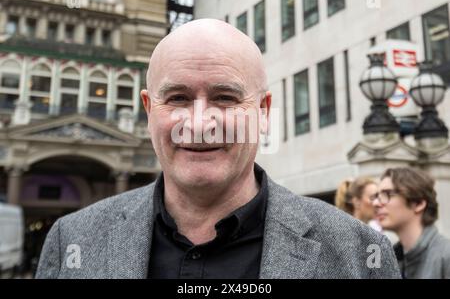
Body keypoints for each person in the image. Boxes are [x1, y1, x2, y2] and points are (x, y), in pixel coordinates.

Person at [35, 19, 400, 279]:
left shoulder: (358, 254)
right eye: (177, 98)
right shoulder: (74, 240)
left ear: (263, 111)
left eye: (225, 98)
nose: (199, 123)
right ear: (149, 110)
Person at [372, 167, 450, 279]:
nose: (376, 203)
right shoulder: (389, 260)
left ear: (418, 203)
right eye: (377, 196)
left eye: (387, 194)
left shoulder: (445, 256)